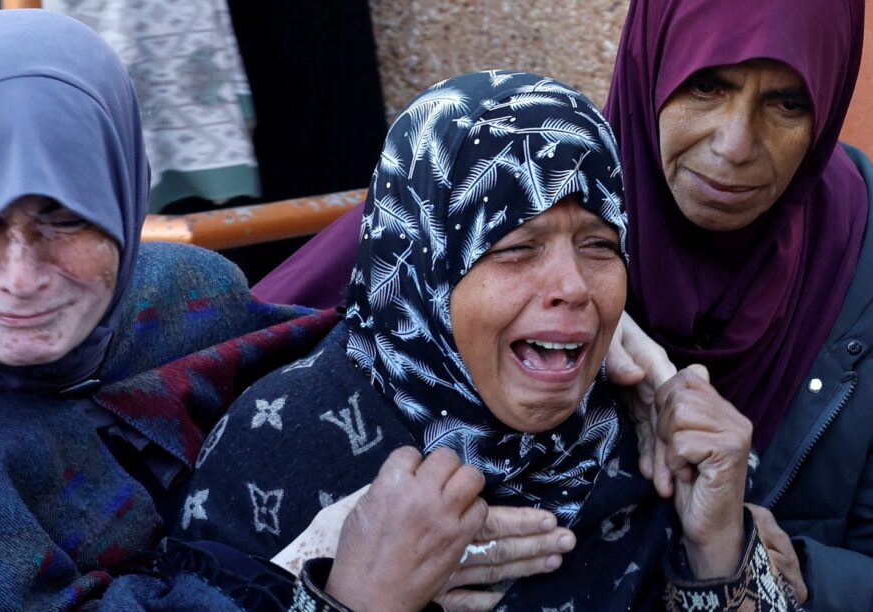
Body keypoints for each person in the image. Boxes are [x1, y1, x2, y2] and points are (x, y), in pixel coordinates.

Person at [248, 1, 873, 609]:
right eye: (707, 85)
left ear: (829, 106)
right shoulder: (506, 180)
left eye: (786, 101)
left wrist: (753, 557)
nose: (736, 143)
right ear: (652, 67)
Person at [0, 9, 470, 610]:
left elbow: (339, 365)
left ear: (124, 197)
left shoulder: (177, 295)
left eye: (67, 220)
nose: (21, 279)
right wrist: (345, 594)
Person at [181, 70, 795, 611]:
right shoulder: (278, 442)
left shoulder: (653, 448)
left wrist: (718, 548)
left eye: (600, 245)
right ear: (423, 264)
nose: (575, 287)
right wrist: (359, 600)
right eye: (516, 248)